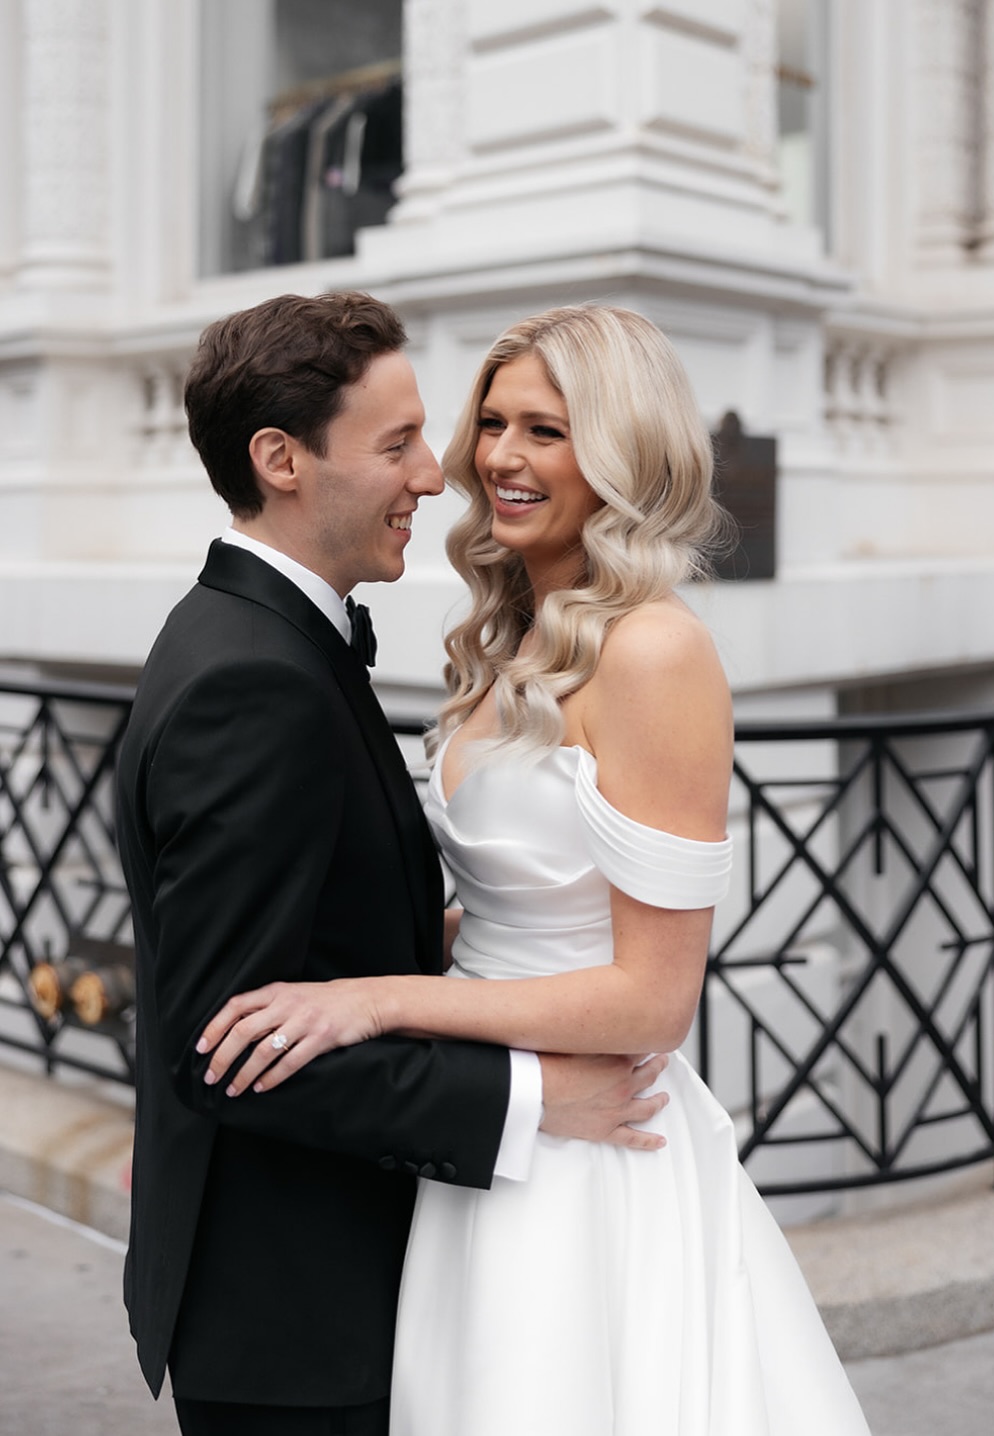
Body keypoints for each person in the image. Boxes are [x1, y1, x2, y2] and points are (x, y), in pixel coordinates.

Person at [200, 305, 872, 1434]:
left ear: (621, 451)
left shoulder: (654, 650)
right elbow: (526, 893)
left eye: (548, 431)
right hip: (488, 1134)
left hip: (587, 1154)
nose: (502, 458)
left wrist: (375, 999)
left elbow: (655, 997)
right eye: (495, 423)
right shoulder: (513, 629)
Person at [114, 291, 672, 1436]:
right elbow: (227, 1044)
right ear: (280, 460)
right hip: (295, 1314)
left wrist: (479, 939)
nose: (440, 472)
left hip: (340, 1281)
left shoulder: (262, 637)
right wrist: (532, 1094)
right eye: (397, 442)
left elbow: (311, 924)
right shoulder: (253, 683)